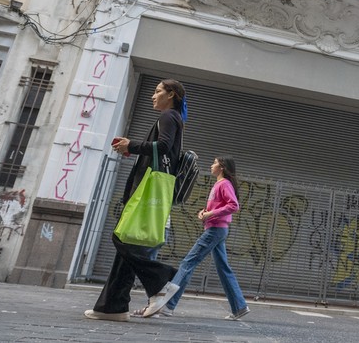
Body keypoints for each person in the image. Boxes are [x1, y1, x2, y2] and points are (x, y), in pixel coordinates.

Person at [84, 78, 188, 322]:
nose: (153, 96)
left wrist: (132, 144)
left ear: (171, 94)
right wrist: (132, 149)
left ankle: (162, 281)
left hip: (147, 188)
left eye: (157, 91)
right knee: (127, 246)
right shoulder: (173, 118)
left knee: (120, 237)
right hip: (152, 187)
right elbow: (163, 150)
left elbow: (162, 147)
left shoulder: (169, 116)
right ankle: (112, 307)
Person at [143, 156, 250, 320]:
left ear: (222, 167)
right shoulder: (218, 184)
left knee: (188, 263)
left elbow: (233, 205)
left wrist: (210, 214)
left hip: (215, 230)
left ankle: (167, 305)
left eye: (214, 162)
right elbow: (217, 206)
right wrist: (204, 212)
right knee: (223, 268)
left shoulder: (224, 184)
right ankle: (239, 307)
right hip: (216, 228)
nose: (211, 165)